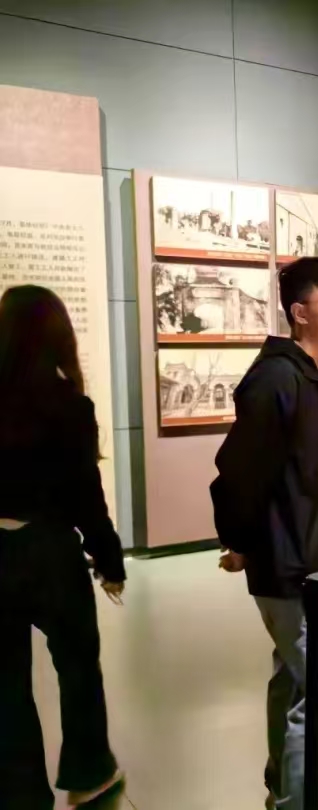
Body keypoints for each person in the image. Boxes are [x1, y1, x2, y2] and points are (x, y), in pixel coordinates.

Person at [210, 258, 318, 810]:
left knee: (297, 680)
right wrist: (239, 541)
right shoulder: (278, 379)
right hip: (296, 563)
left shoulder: (303, 375)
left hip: (310, 555)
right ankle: (304, 799)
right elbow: (240, 470)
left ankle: (289, 791)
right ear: (300, 313)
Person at [0, 285, 126, 808]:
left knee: (5, 684)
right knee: (77, 667)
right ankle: (88, 770)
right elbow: (85, 496)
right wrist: (110, 561)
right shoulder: (69, 405)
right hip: (50, 552)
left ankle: (19, 792)